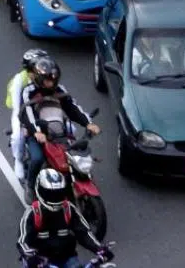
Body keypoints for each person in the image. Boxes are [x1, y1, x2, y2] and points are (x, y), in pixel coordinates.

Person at [20, 56, 99, 188]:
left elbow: (72, 107)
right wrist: (37, 132)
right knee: (37, 158)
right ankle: (30, 185)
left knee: (75, 156)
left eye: (53, 80)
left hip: (60, 132)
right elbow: (27, 114)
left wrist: (87, 123)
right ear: (39, 79)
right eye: (47, 81)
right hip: (37, 133)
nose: (51, 83)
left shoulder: (60, 90)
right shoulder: (29, 91)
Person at [17, 168, 110, 268]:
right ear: (40, 190)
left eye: (58, 193)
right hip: (41, 261)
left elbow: (84, 233)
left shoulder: (69, 209)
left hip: (67, 258)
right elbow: (22, 242)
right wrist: (30, 257)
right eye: (50, 194)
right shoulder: (32, 213)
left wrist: (99, 248)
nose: (55, 197)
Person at [7, 49, 48, 181]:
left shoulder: (45, 76)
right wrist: (25, 125)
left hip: (42, 109)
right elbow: (17, 106)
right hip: (22, 111)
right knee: (17, 136)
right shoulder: (19, 80)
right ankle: (18, 160)